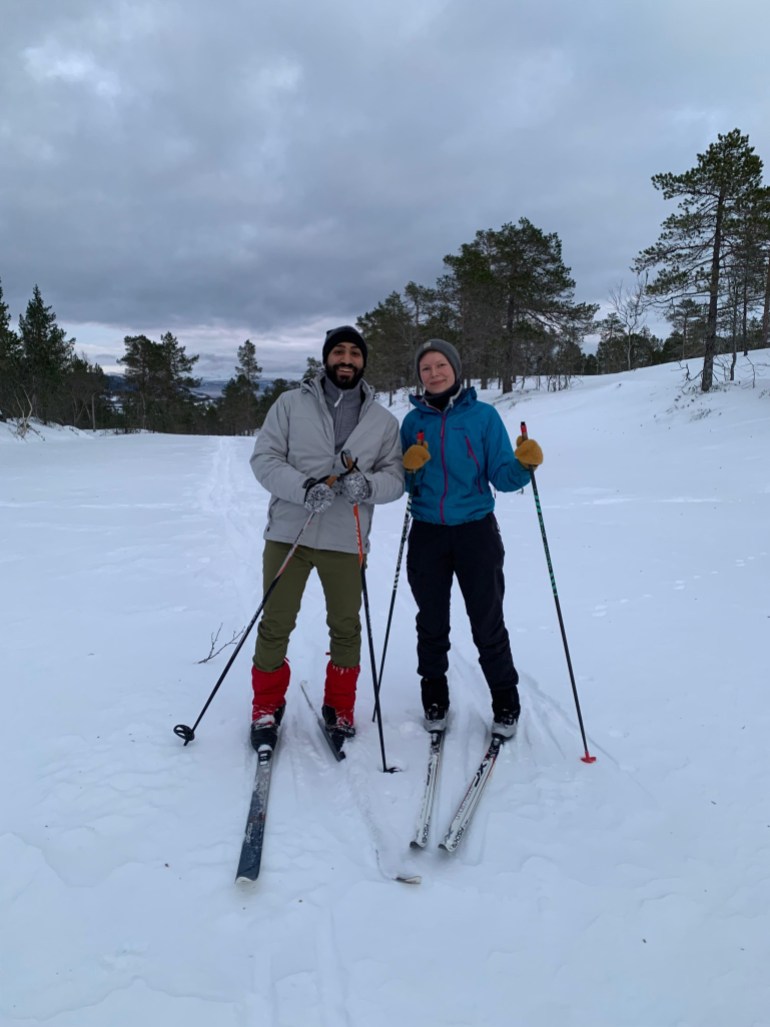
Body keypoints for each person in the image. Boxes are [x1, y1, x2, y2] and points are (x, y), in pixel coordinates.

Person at [248, 326, 404, 750]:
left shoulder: (383, 421)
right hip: (288, 535)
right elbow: (263, 459)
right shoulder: (289, 404)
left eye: (355, 353)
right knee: (275, 623)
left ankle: (340, 707)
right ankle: (266, 706)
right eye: (339, 352)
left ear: (364, 362)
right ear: (326, 358)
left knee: (346, 628)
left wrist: (367, 486)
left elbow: (396, 478)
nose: (347, 359)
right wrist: (303, 487)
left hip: (345, 538)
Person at [400, 339, 543, 740]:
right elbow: (404, 481)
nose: (434, 373)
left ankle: (505, 700)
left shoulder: (483, 417)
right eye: (426, 368)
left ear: (455, 369)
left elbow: (503, 475)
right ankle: (434, 697)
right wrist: (409, 469)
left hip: (476, 531)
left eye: (440, 365)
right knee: (431, 622)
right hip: (427, 531)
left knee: (487, 620)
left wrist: (524, 466)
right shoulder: (413, 423)